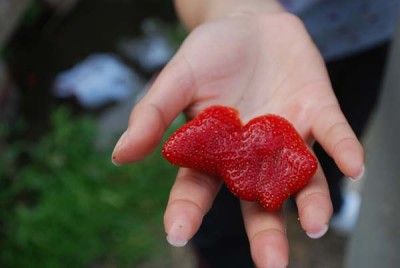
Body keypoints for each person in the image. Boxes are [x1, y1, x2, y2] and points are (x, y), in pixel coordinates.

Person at [112, 0, 399, 267]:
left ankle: (334, 201)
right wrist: (233, 10)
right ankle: (225, 254)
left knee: (336, 140)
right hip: (254, 44)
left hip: (374, 31)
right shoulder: (227, 141)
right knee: (222, 217)